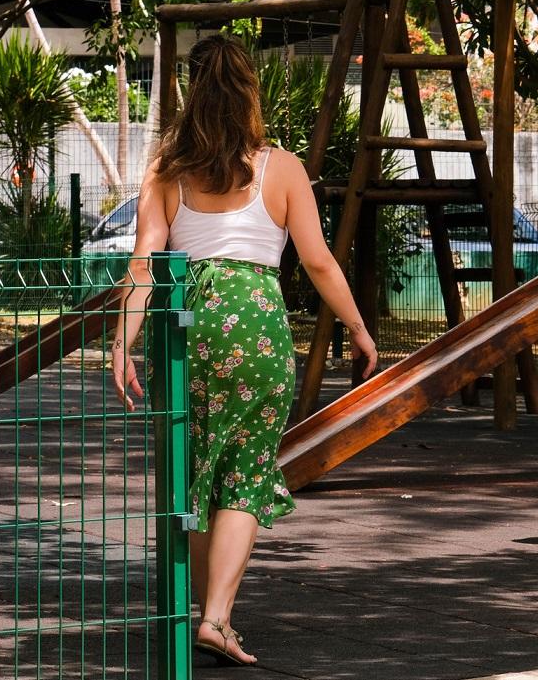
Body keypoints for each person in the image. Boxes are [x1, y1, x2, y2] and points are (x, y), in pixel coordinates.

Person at [110, 34, 378, 665]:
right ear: (249, 90)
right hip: (253, 323)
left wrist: (121, 344)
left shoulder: (166, 170)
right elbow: (317, 261)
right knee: (245, 470)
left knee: (193, 471)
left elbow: (145, 262)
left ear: (189, 92)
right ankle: (218, 618)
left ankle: (194, 613)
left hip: (186, 326)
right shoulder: (279, 167)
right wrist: (360, 331)